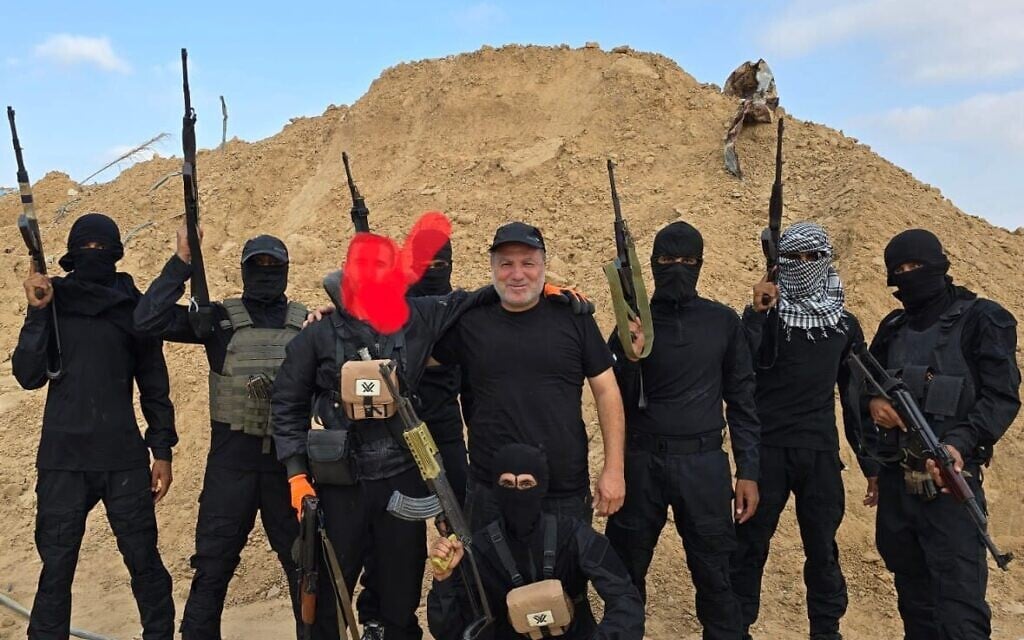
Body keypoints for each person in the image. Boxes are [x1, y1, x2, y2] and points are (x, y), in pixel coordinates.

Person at [133, 227, 316, 640]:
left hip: (289, 468)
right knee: (212, 570)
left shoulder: (307, 324)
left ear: (286, 270)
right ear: (245, 270)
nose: (266, 272)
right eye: (258, 265)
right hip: (231, 468)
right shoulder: (216, 320)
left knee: (304, 570)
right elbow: (145, 320)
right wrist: (183, 261)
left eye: (273, 265)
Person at [13, 213, 177, 640]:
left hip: (123, 459)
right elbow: (28, 375)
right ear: (71, 255)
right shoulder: (53, 299)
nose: (93, 255)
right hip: (63, 462)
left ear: (115, 253)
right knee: (56, 570)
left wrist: (162, 451)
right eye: (85, 248)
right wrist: (36, 313)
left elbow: (154, 386)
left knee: (144, 563)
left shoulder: (133, 307)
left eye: (100, 248)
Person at [604, 221, 760, 639]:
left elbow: (743, 402)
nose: (677, 268)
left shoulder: (722, 322)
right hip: (641, 463)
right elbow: (612, 399)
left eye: (687, 260)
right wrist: (631, 355)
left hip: (703, 464)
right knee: (624, 573)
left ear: (701, 264)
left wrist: (748, 471)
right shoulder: (632, 325)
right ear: (652, 265)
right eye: (667, 260)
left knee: (716, 574)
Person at [862, 229, 1019, 640]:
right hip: (899, 488)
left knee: (960, 612)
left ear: (940, 265)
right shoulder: (893, 327)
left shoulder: (983, 319)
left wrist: (958, 444)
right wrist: (873, 403)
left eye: (916, 266)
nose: (909, 275)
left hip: (950, 486)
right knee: (916, 608)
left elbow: (1001, 398)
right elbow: (862, 380)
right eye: (900, 269)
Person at [729, 221, 875, 640]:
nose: (805, 264)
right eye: (794, 258)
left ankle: (826, 631)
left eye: (814, 257)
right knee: (748, 547)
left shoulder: (844, 325)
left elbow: (855, 401)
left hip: (819, 454)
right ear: (780, 263)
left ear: (827, 260)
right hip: (767, 453)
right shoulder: (764, 316)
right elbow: (738, 376)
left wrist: (871, 466)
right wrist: (756, 315)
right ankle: (735, 628)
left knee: (823, 551)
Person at [432, 221, 626, 532]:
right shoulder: (469, 321)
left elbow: (606, 391)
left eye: (528, 263)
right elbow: (418, 354)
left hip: (562, 489)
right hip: (490, 490)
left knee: (566, 566)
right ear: (493, 268)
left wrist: (614, 469)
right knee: (488, 566)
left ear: (544, 266)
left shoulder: (574, 317)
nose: (517, 274)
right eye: (506, 264)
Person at [426, 443, 645, 640]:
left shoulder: (574, 536)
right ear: (496, 489)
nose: (516, 493)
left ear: (541, 487)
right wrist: (443, 580)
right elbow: (449, 631)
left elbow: (626, 600)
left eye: (526, 484)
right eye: (507, 483)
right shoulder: (480, 549)